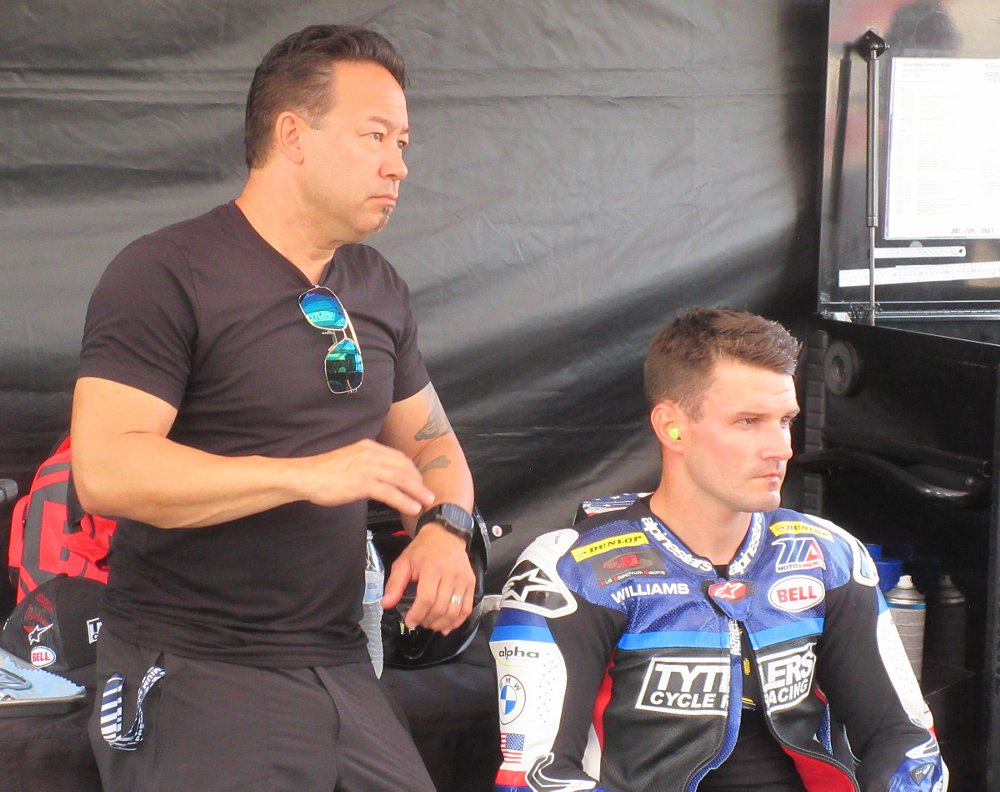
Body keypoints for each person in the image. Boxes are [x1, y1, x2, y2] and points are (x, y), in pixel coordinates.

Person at [71, 24, 477, 792]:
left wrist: (444, 530)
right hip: (193, 666)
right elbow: (106, 469)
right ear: (293, 134)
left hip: (335, 663)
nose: (399, 164)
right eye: (375, 137)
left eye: (404, 141)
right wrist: (305, 474)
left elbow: (436, 448)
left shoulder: (374, 284)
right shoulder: (165, 271)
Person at [489, 307, 947, 792]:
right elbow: (533, 779)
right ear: (672, 428)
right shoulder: (568, 572)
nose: (781, 448)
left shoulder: (830, 555)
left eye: (785, 420)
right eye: (748, 421)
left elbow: (908, 741)